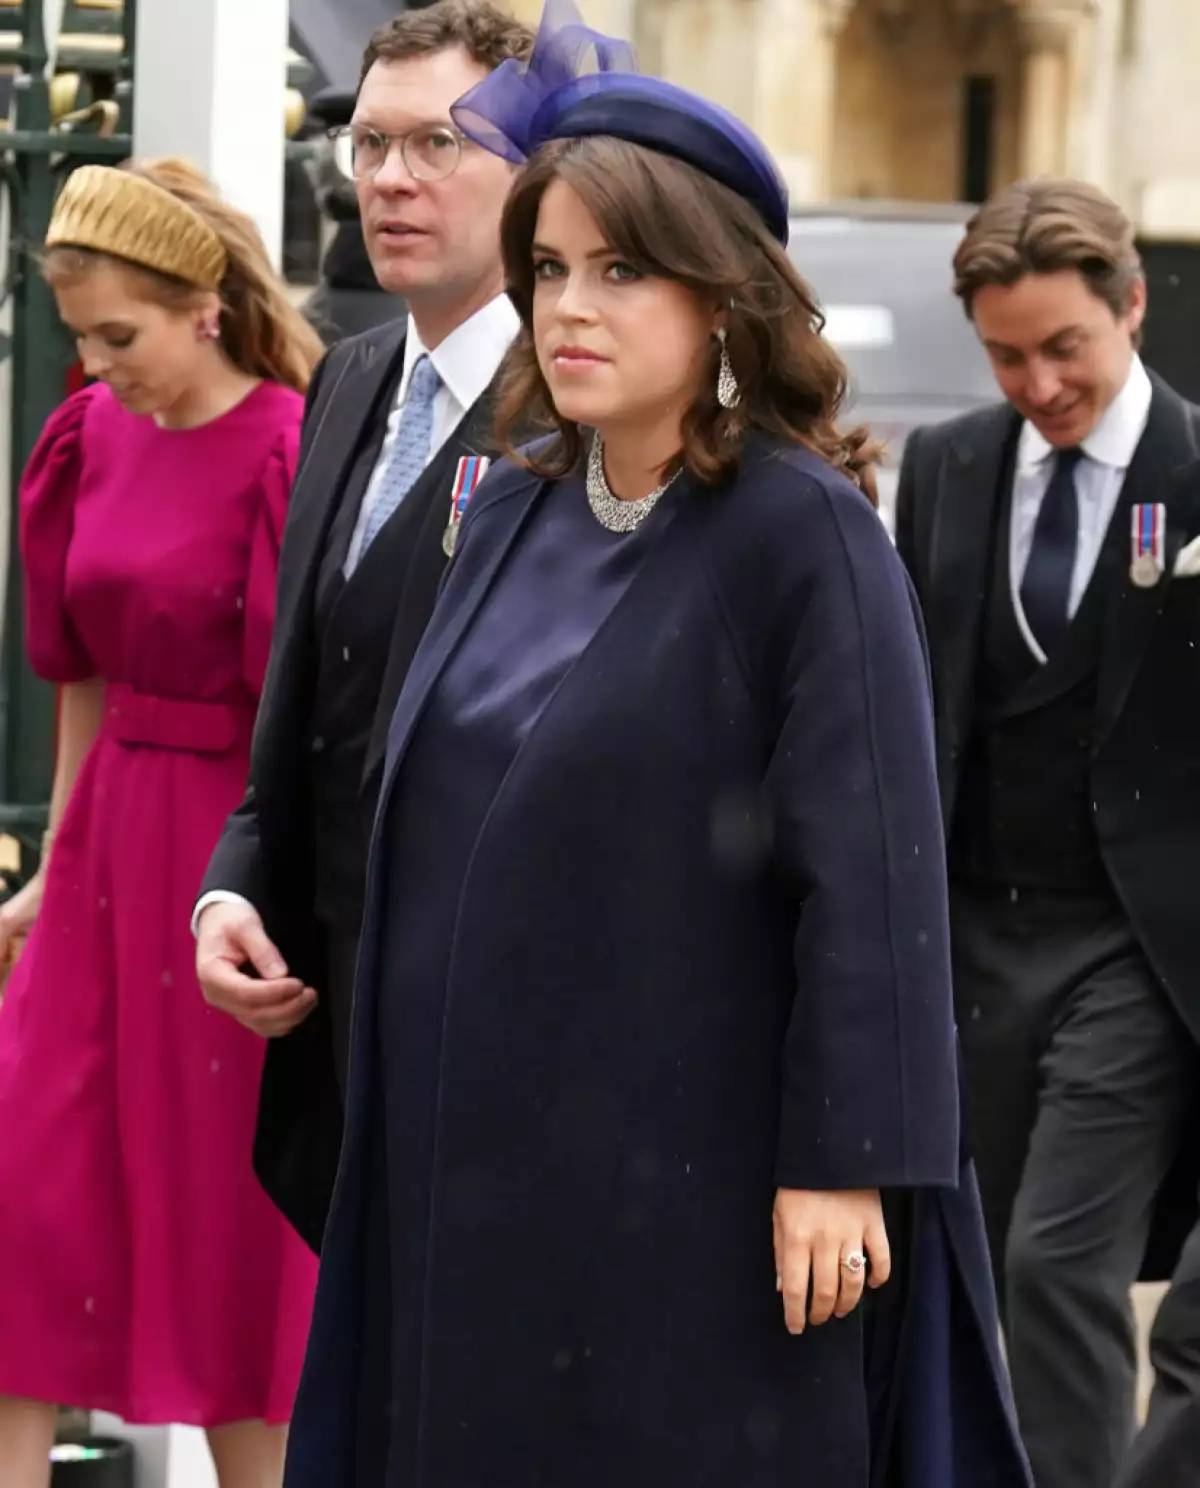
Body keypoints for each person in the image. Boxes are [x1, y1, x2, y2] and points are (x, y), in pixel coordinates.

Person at [282, 7, 1032, 1485]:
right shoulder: (503, 507)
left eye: (621, 271)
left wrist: (848, 1159)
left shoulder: (801, 534)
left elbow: (874, 876)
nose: (571, 306)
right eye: (550, 268)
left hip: (693, 1168)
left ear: (721, 295)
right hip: (472, 1167)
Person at [0, 159, 323, 1488]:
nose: (94, 362)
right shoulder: (86, 436)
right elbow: (79, 666)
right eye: (78, 336)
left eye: (116, 335)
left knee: (220, 1228)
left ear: (205, 307)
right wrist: (51, 868)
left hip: (226, 858)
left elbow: (310, 717)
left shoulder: (293, 448)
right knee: (30, 1198)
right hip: (101, 857)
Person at [194, 0, 534, 1254]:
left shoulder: (579, 416)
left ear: (532, 168)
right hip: (334, 1033)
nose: (390, 178)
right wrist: (235, 890)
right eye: (370, 145)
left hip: (494, 1045)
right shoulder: (345, 378)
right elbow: (307, 698)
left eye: (436, 146)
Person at [895, 178, 1200, 1488]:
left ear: (1132, 306)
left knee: (1056, 1262)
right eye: (1007, 355)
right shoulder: (951, 465)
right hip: (974, 937)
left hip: (1139, 950)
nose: (1039, 383)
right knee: (983, 1267)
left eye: (1064, 346)